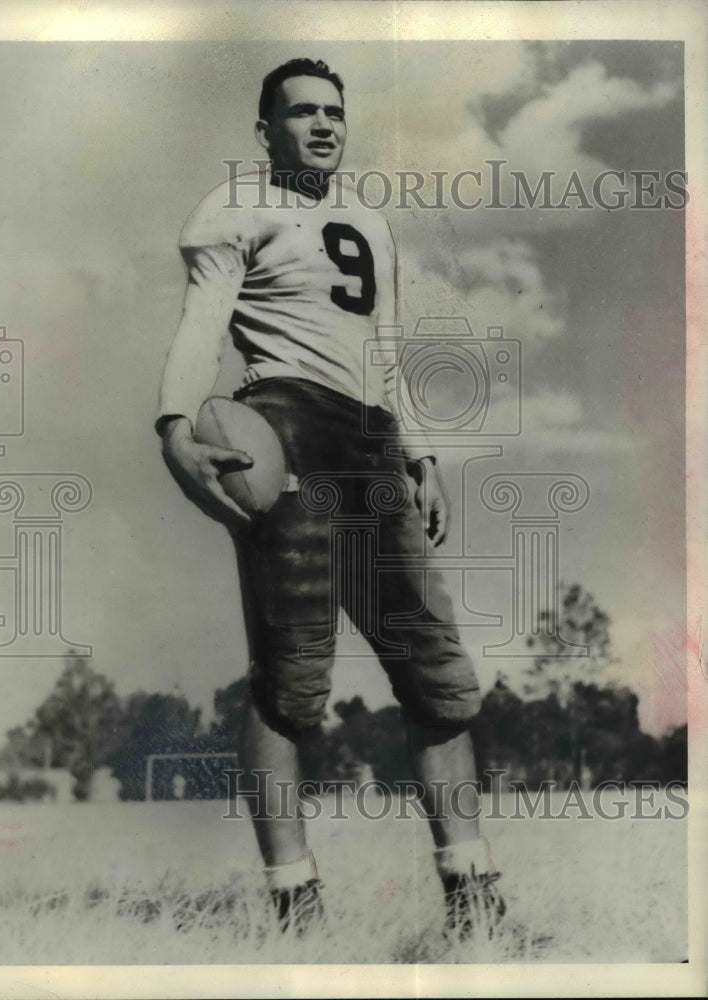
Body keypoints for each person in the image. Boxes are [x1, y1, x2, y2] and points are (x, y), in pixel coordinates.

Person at [156, 57, 505, 939]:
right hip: (290, 425)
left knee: (437, 678)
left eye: (333, 113)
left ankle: (473, 897)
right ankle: (294, 902)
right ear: (264, 127)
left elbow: (384, 346)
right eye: (301, 112)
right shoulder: (234, 205)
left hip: (373, 440)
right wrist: (172, 425)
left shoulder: (369, 223)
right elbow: (204, 320)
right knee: (290, 685)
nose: (321, 125)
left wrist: (417, 450)